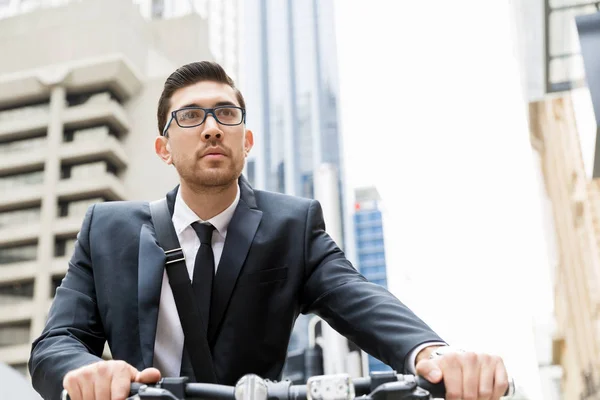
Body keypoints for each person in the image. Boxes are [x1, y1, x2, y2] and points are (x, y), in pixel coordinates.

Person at [29, 61, 509, 400]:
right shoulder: (105, 229)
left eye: (227, 114)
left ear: (247, 140)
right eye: (191, 116)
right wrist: (88, 371)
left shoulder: (292, 226)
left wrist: (433, 352)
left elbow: (357, 295)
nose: (212, 127)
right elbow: (56, 343)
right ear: (163, 147)